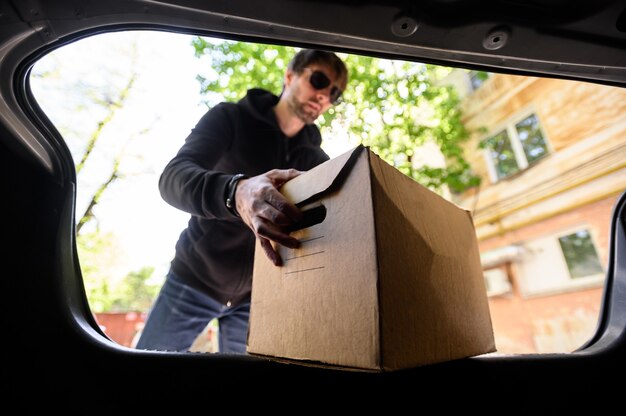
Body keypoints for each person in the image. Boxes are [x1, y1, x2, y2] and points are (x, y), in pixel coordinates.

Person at [135, 49, 348, 353]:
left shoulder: (315, 159)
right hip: (194, 280)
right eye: (318, 80)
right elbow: (173, 178)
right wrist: (236, 192)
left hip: (257, 299)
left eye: (335, 94)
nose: (324, 96)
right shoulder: (230, 118)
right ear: (289, 75)